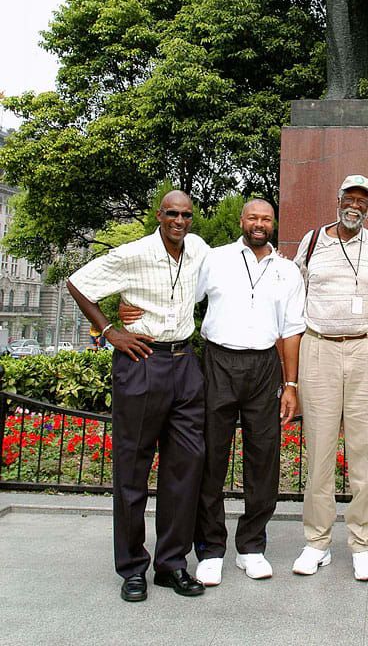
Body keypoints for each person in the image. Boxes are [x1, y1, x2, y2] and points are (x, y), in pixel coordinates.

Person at [67, 191, 208, 602]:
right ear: (158, 215)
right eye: (172, 214)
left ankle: (171, 565)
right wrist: (110, 330)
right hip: (142, 360)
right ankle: (132, 567)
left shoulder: (197, 249)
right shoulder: (133, 253)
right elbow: (79, 283)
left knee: (185, 469)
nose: (179, 221)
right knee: (132, 469)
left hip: (185, 364)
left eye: (185, 215)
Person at [193, 200, 305, 584]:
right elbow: (181, 297)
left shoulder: (288, 271)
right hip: (218, 362)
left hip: (264, 367)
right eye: (253, 217)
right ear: (241, 221)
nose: (259, 224)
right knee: (211, 456)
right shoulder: (216, 259)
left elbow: (291, 330)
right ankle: (210, 549)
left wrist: (290, 384)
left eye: (266, 219)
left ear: (274, 225)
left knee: (263, 459)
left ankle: (252, 546)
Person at [292, 174, 368, 580]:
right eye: (349, 198)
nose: (355, 206)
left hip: (365, 347)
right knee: (318, 449)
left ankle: (363, 543)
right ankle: (317, 542)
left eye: (363, 201)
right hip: (318, 346)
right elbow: (295, 288)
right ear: (337, 200)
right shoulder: (312, 241)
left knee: (365, 453)